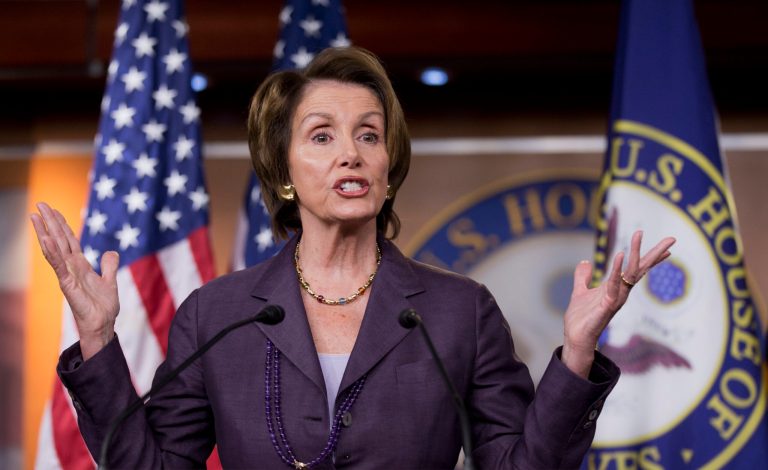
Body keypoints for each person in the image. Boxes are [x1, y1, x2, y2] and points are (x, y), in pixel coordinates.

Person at [31, 46, 675, 469]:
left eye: (370, 135)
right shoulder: (216, 315)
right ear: (283, 174)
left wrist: (579, 351)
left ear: (388, 168)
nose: (353, 153)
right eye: (322, 135)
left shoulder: (460, 312)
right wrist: (96, 339)